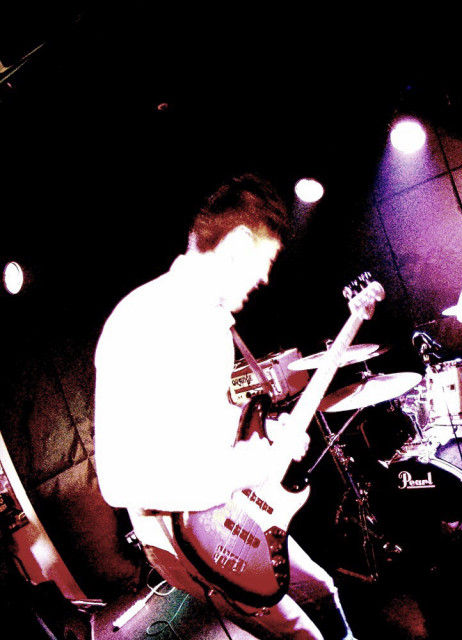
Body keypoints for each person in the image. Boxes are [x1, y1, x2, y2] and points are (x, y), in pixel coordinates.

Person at [94, 174, 357, 640]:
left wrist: (267, 431)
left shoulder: (210, 321)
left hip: (229, 508)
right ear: (236, 244)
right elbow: (122, 482)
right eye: (265, 261)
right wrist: (250, 467)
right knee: (302, 634)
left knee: (322, 589)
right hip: (185, 533)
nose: (265, 278)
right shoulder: (142, 320)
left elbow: (202, 424)